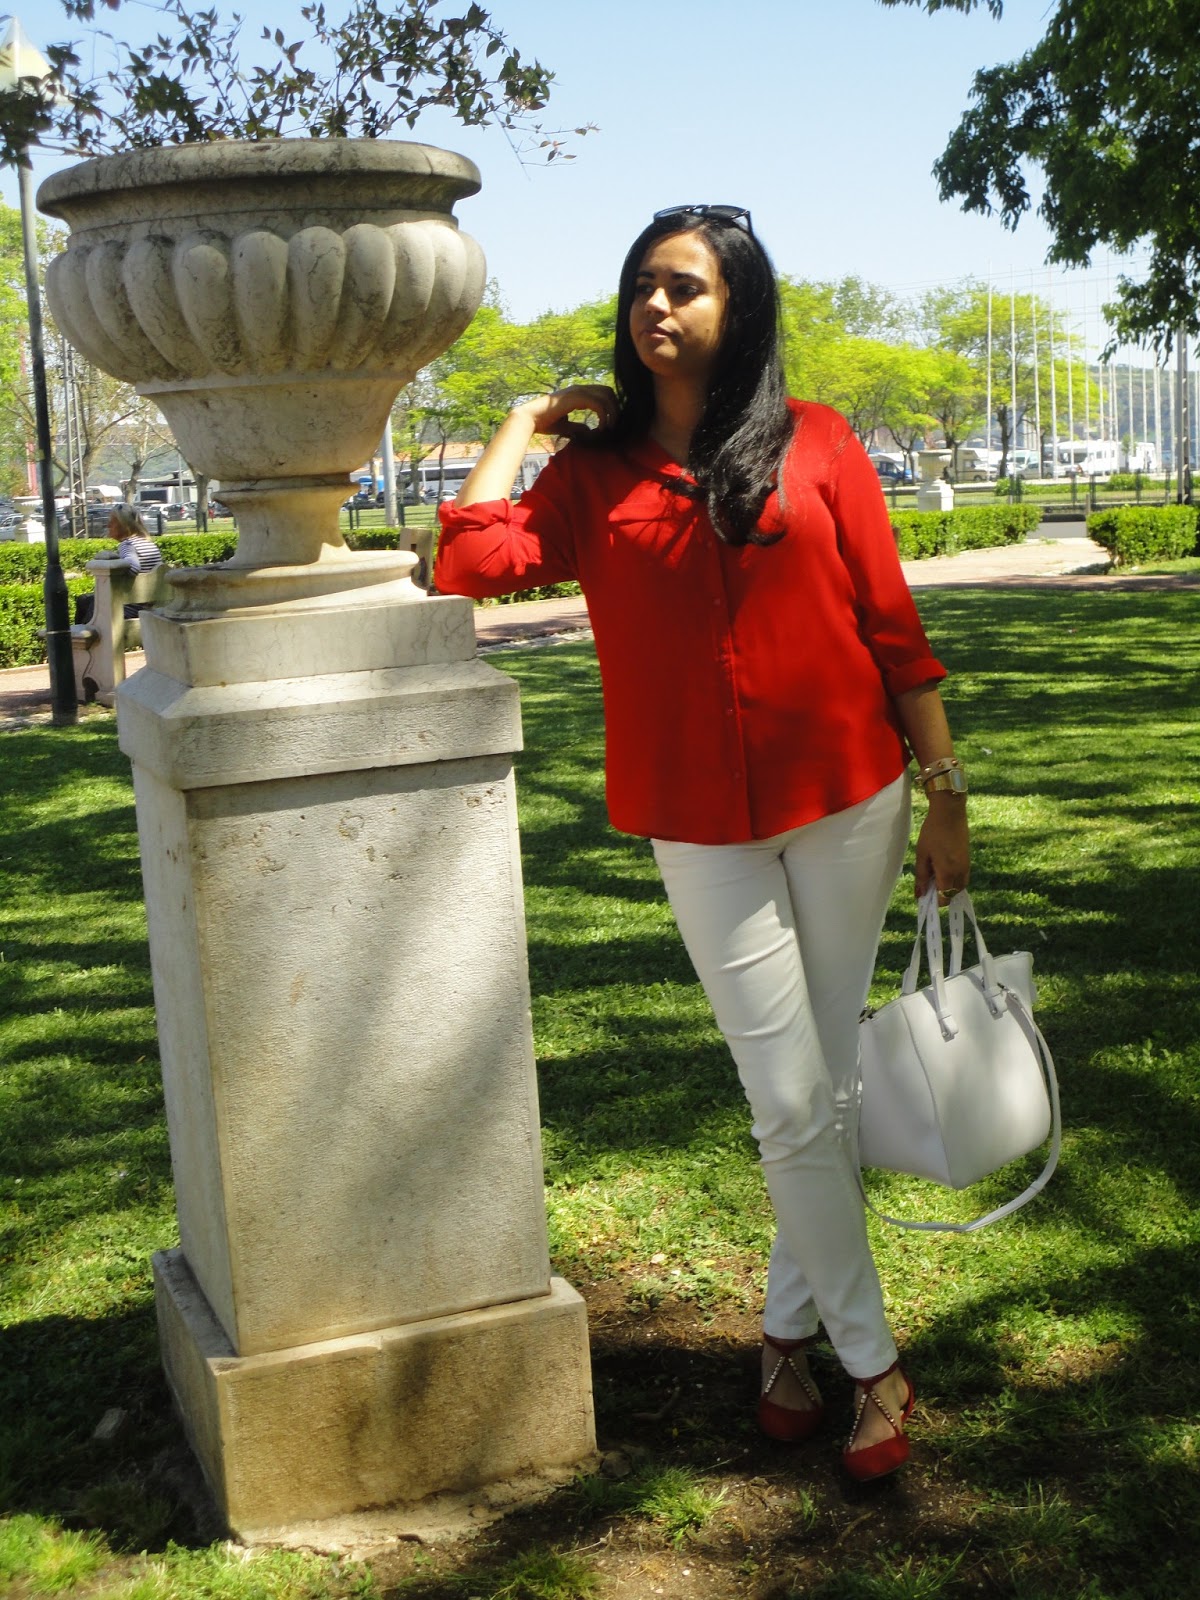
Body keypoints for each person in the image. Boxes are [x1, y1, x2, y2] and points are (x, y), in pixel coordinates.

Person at [434, 204, 970, 1482]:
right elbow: (466, 561)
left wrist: (944, 787)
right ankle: (871, 1360)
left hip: (847, 797)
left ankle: (785, 1336)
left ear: (740, 307)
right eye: (641, 287)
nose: (655, 307)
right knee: (788, 1094)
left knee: (817, 1089)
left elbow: (891, 626)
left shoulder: (820, 443)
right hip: (694, 816)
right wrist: (523, 420)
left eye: (684, 286)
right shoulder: (593, 476)